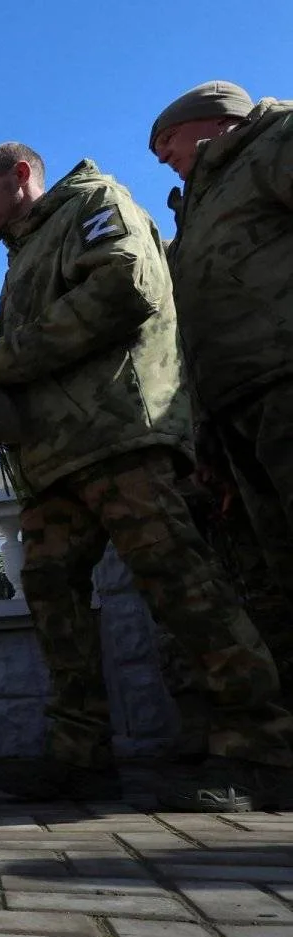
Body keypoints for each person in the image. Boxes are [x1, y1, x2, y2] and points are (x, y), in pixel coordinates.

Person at [0, 142, 293, 811]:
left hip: (119, 437)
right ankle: (80, 755)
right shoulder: (26, 254)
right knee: (51, 591)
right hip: (57, 456)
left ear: (20, 176)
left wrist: (0, 359)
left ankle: (265, 748)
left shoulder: (96, 204)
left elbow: (126, 284)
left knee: (182, 585)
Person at [149, 82, 293, 698]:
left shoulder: (275, 142)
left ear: (215, 121)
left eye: (166, 142)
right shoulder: (200, 204)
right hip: (234, 406)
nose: (162, 158)